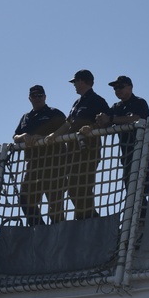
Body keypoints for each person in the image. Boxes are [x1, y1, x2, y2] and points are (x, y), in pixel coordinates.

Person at [47, 70, 111, 221]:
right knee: (75, 189)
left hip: (88, 149)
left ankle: (91, 220)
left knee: (81, 188)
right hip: (73, 151)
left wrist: (92, 128)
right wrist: (54, 135)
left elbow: (107, 121)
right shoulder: (77, 102)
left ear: (82, 82)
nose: (74, 85)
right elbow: (68, 123)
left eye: (75, 82)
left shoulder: (97, 100)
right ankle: (87, 219)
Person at [97, 75, 149, 207]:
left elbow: (136, 118)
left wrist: (111, 119)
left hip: (143, 149)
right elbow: (106, 121)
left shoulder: (140, 102)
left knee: (142, 184)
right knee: (129, 184)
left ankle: (142, 213)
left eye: (120, 87)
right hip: (127, 153)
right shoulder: (116, 107)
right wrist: (101, 120)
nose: (117, 90)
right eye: (115, 88)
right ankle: (134, 213)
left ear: (130, 87)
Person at [12, 85, 67, 225]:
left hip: (55, 164)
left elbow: (67, 127)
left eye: (40, 95)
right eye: (34, 95)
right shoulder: (26, 117)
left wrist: (43, 137)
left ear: (45, 97)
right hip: (33, 165)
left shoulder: (54, 113)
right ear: (29, 98)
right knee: (25, 199)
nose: (37, 98)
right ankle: (40, 229)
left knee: (55, 206)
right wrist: (24, 136)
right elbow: (15, 137)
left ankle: (58, 237)